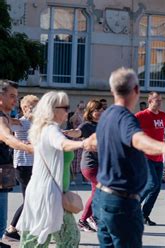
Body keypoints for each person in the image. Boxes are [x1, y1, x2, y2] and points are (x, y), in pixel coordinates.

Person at [92, 67, 165, 247]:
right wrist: (164, 146)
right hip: (121, 201)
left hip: (101, 198)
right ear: (136, 91)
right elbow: (138, 139)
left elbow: (94, 141)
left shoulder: (106, 116)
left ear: (112, 90)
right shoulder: (127, 118)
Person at [17, 91, 95, 247]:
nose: (68, 110)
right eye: (65, 107)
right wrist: (82, 144)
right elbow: (62, 144)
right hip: (48, 195)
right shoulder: (50, 129)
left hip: (49, 193)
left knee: (45, 241)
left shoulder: (44, 129)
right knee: (61, 240)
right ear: (52, 109)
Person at [135, 92, 165, 225]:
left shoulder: (163, 116)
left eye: (161, 101)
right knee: (152, 184)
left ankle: (144, 215)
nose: (160, 103)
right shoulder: (141, 116)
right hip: (144, 156)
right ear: (150, 101)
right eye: (157, 101)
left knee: (156, 188)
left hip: (158, 158)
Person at [0, 80, 34, 248]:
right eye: (12, 96)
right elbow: (6, 136)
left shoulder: (8, 117)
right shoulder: (1, 118)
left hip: (5, 171)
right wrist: (29, 148)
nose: (16, 100)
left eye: (17, 96)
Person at [63, 100, 104, 232]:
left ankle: (83, 221)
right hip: (90, 164)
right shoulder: (87, 125)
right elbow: (77, 132)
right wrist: (69, 132)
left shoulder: (103, 125)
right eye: (96, 110)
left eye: (101, 110)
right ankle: (92, 218)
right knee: (100, 190)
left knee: (96, 191)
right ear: (90, 112)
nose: (99, 112)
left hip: (100, 164)